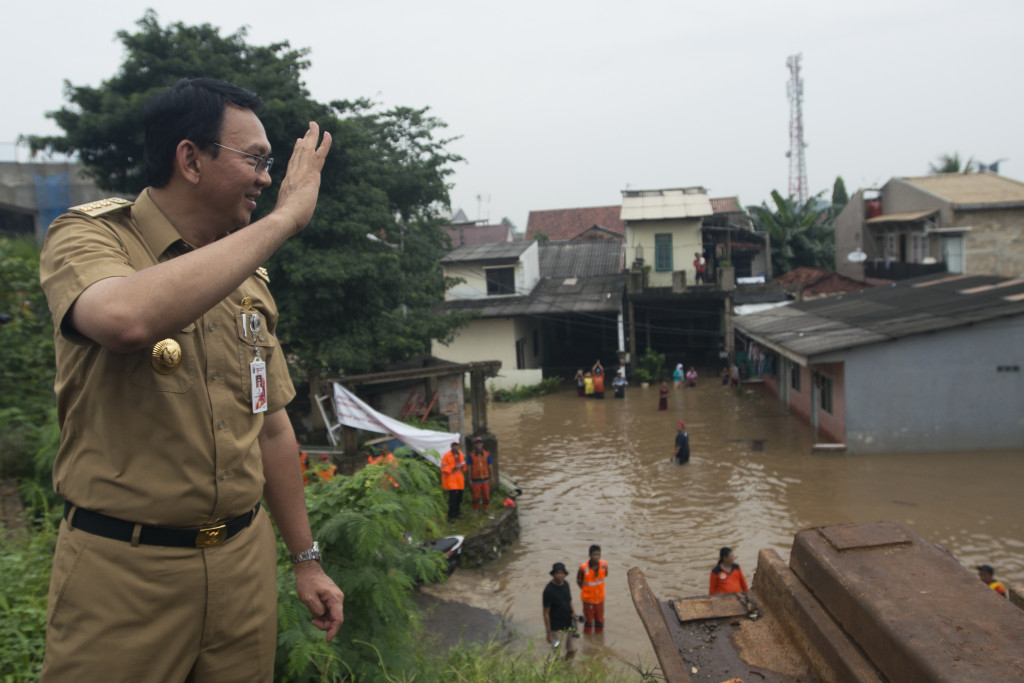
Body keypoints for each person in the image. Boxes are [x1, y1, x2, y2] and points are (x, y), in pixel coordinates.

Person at [37, 77, 343, 681]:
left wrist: (306, 561)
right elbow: (125, 318)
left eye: (269, 164)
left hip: (242, 567)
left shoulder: (247, 281)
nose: (264, 177)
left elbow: (272, 429)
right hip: (125, 573)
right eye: (254, 159)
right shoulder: (90, 236)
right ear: (190, 158)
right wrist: (285, 220)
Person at [543, 562, 579, 660]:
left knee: (573, 649)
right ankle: (557, 668)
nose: (560, 575)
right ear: (553, 574)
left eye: (562, 573)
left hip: (569, 622)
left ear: (565, 574)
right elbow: (546, 613)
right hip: (555, 626)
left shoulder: (566, 584)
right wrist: (548, 633)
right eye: (557, 573)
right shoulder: (548, 591)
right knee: (556, 649)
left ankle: (566, 667)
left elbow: (569, 600)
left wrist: (573, 612)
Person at [576, 545, 608, 634]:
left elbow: (605, 575)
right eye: (594, 555)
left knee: (600, 621)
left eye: (598, 555)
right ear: (590, 555)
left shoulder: (604, 565)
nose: (597, 557)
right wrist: (586, 591)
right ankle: (588, 641)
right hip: (588, 600)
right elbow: (579, 581)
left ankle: (598, 640)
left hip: (600, 599)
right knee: (588, 622)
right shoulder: (583, 568)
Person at [440, 440, 467, 523]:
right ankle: (450, 516)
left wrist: (463, 466)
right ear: (451, 446)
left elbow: (463, 468)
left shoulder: (460, 454)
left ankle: (457, 513)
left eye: (457, 445)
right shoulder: (446, 456)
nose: (455, 447)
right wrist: (453, 467)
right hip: (451, 480)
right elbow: (443, 468)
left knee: (459, 498)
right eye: (454, 445)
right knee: (452, 500)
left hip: (459, 479)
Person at [468, 436, 493, 514]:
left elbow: (490, 465)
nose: (479, 445)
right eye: (477, 443)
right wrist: (469, 479)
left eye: (480, 443)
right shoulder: (471, 455)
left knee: (486, 495)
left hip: (485, 478)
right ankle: (475, 510)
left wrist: (492, 476)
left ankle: (485, 509)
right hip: (476, 479)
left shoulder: (487, 454)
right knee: (475, 496)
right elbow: (469, 468)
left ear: (482, 444)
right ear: (475, 445)